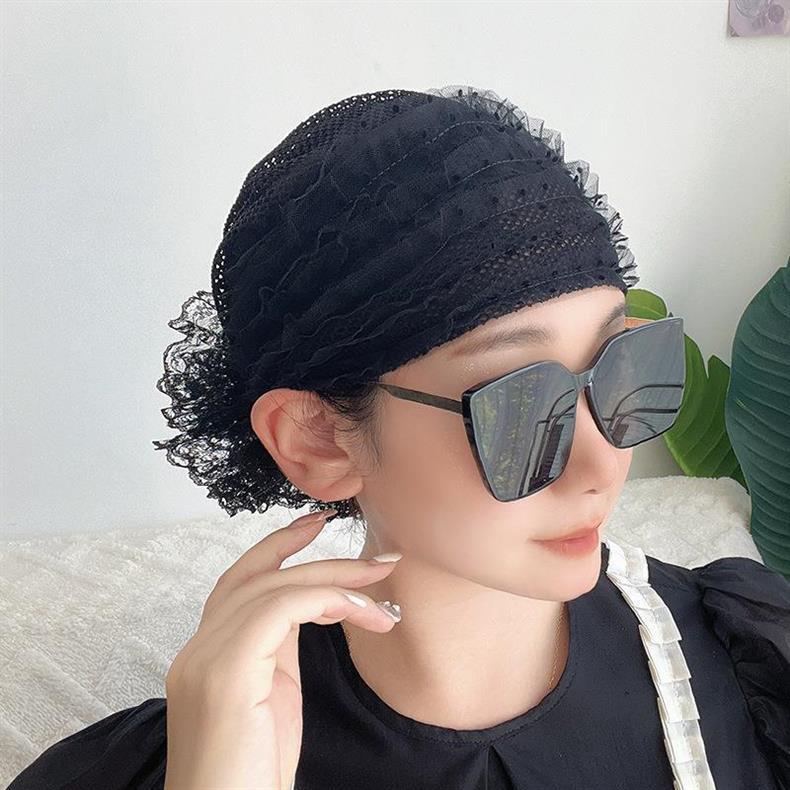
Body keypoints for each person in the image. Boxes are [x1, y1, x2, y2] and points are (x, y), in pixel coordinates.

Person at [9, 85, 790, 790]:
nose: (601, 463)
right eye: (521, 405)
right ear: (319, 441)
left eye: (623, 366)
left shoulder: (749, 659)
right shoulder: (185, 760)